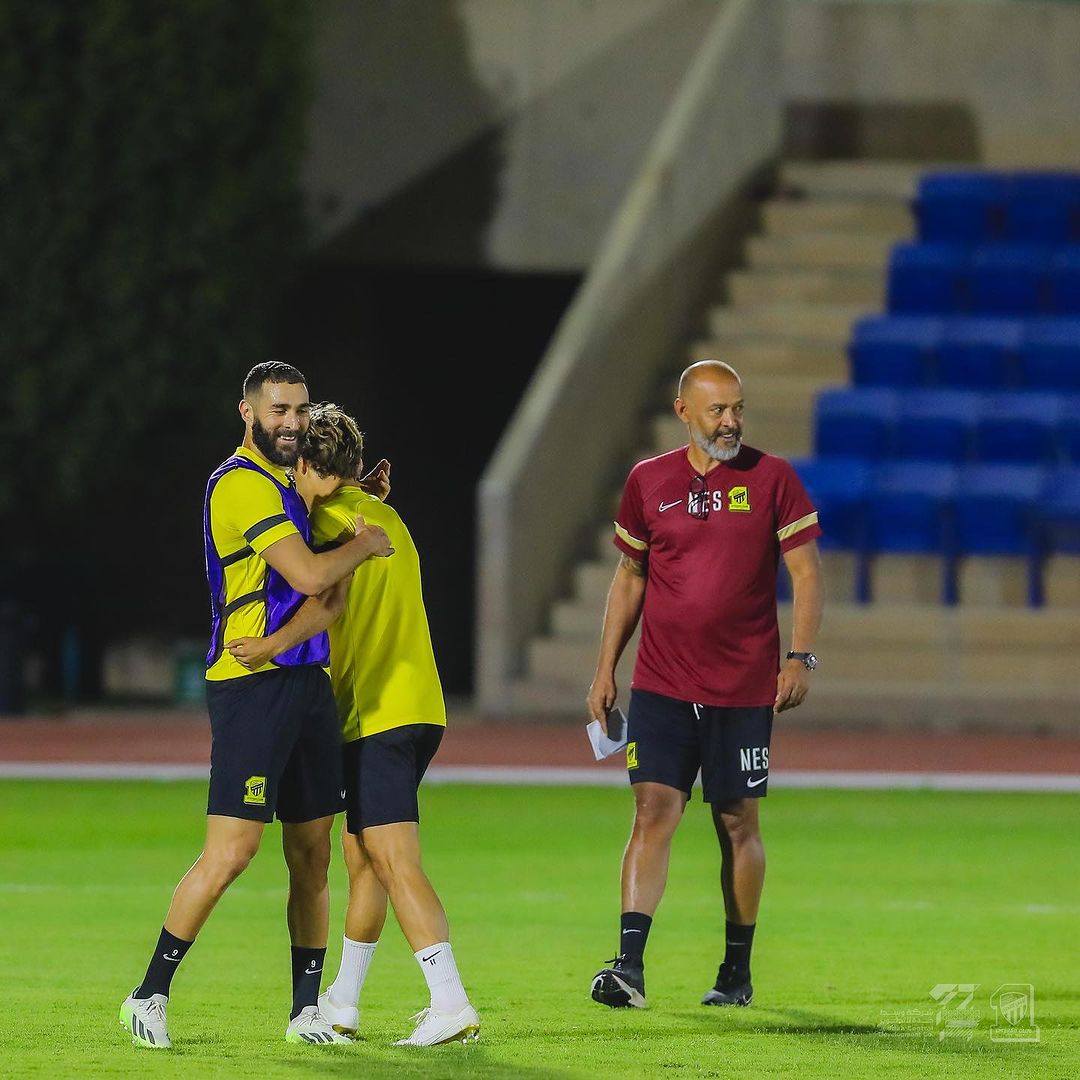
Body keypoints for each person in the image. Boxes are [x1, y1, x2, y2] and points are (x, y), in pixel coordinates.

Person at [120, 362, 395, 1049]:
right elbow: (305, 574)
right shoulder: (240, 485)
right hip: (251, 685)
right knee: (233, 851)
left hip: (308, 683)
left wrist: (353, 497)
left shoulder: (287, 484)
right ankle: (148, 994)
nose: (293, 423)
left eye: (300, 410)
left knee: (313, 854)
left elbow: (310, 562)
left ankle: (307, 1011)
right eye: (279, 411)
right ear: (248, 413)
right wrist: (361, 544)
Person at [231, 401, 480, 1047]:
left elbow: (325, 596)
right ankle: (342, 1003)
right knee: (363, 857)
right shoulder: (384, 514)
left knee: (394, 860)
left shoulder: (315, 528)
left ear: (308, 464)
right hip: (420, 708)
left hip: (378, 714)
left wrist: (270, 644)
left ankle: (450, 1001)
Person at [586, 359, 822, 1011]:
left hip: (744, 687)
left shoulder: (772, 478)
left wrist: (800, 655)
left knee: (737, 821)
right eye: (718, 410)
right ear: (684, 412)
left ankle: (736, 973)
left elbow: (805, 573)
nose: (731, 422)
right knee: (652, 809)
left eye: (738, 408)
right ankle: (628, 967)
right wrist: (606, 667)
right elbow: (630, 577)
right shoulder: (647, 481)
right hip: (660, 683)